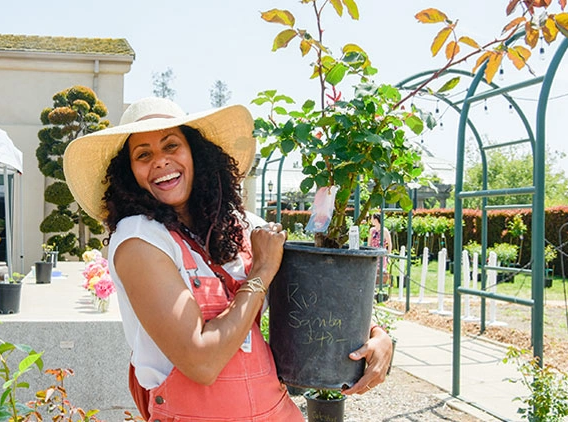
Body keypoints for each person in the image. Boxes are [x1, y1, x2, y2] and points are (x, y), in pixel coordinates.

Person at [64, 97, 392, 421]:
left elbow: (313, 289)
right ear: (129, 172)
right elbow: (201, 361)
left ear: (196, 152)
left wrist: (376, 335)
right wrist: (261, 271)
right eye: (143, 154)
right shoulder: (140, 237)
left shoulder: (238, 223)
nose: (161, 161)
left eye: (171, 146)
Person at [368, 213, 393, 285]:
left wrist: (388, 255)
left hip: (381, 255)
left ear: (376, 220)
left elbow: (389, 244)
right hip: (373, 254)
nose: (371, 220)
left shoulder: (385, 231)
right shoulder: (372, 230)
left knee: (381, 272)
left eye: (372, 219)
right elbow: (369, 243)